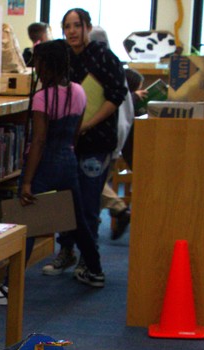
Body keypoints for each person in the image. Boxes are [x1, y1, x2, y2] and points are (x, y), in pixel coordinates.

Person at [47, 8, 128, 274]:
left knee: (88, 202)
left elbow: (116, 95)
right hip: (66, 141)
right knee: (64, 200)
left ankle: (88, 258)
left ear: (88, 28)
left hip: (97, 140)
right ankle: (66, 250)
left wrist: (88, 124)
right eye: (67, 26)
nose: (72, 31)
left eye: (77, 25)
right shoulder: (62, 58)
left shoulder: (104, 57)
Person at [20, 39, 105, 288]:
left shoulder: (42, 97)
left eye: (38, 62)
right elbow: (76, 133)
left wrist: (27, 182)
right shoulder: (79, 91)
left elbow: (39, 140)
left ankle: (9, 284)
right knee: (78, 220)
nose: (36, 68)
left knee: (26, 223)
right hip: (68, 160)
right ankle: (95, 270)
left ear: (47, 64)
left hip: (44, 164)